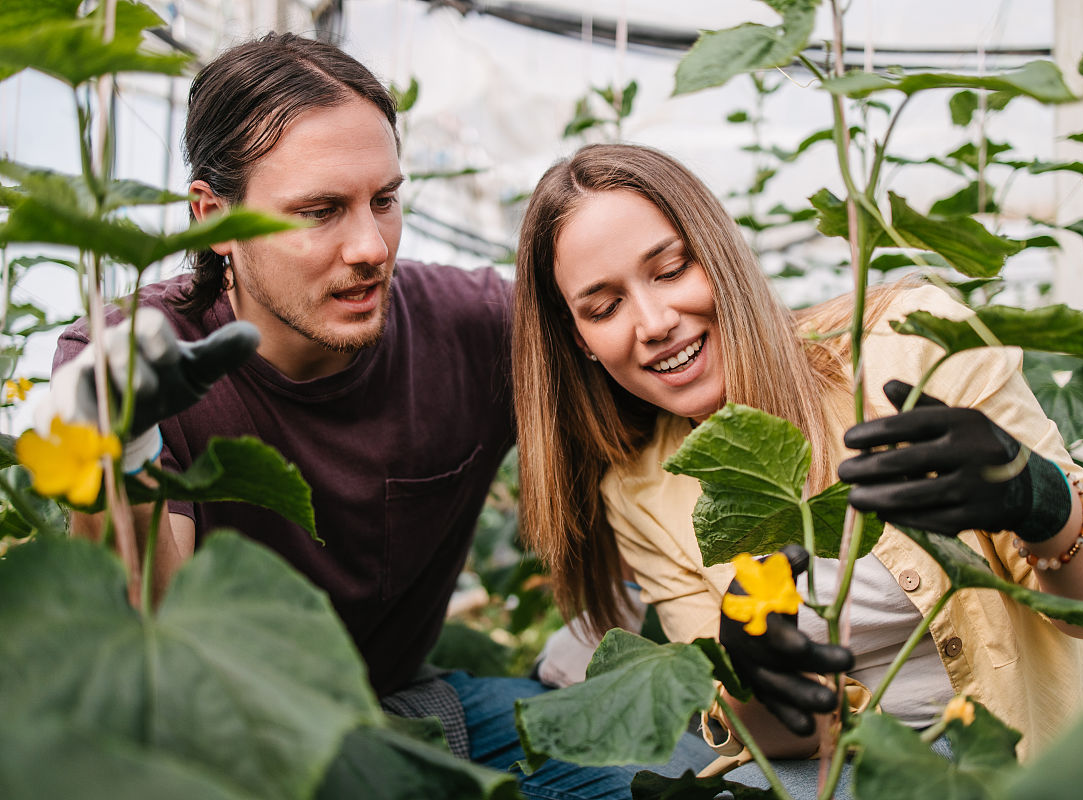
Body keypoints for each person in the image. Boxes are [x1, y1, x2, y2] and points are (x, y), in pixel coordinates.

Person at [42, 34, 712, 799]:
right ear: (214, 218)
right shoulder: (134, 364)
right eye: (320, 210)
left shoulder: (469, 327)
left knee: (666, 778)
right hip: (227, 753)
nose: (370, 247)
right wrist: (118, 452)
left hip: (402, 707)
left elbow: (654, 347)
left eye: (384, 201)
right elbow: (145, 641)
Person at [512, 142, 1083, 794]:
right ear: (578, 337)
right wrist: (756, 679)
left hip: (1060, 753)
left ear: (721, 256)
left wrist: (1039, 499)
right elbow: (796, 744)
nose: (654, 322)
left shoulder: (913, 346)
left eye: (672, 269)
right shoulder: (639, 492)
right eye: (603, 308)